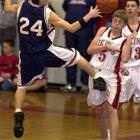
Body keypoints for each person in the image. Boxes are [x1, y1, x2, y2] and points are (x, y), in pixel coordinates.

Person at [4, 0, 102, 138]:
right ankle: (97, 77)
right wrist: (89, 15)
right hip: (45, 53)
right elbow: (71, 28)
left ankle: (18, 111)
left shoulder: (22, 6)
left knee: (21, 87)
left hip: (26, 56)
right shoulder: (47, 13)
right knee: (77, 56)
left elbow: (7, 7)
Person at [87, 9, 136, 140]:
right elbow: (90, 50)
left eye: (120, 22)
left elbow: (125, 59)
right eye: (115, 20)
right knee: (99, 113)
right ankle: (104, 137)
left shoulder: (124, 40)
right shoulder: (102, 30)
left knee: (112, 110)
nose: (116, 24)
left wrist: (130, 41)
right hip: (95, 74)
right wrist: (106, 47)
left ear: (124, 25)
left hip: (112, 77)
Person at [61, 0, 96, 92]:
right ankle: (70, 84)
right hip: (70, 31)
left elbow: (96, 14)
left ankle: (85, 84)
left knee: (85, 57)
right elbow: (65, 7)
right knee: (69, 56)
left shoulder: (92, 1)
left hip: (85, 31)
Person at [122, 0, 140, 103]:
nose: (130, 8)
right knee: (123, 101)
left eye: (133, 6)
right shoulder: (121, 27)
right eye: (128, 6)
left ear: (138, 9)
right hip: (126, 67)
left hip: (139, 66)